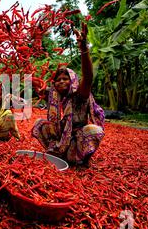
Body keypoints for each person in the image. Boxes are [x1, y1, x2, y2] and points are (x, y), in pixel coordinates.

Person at [31, 23, 105, 166]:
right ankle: (58, 153)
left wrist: (84, 49)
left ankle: (82, 159)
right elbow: (34, 81)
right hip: (61, 139)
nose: (61, 82)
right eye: (58, 80)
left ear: (73, 81)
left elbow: (88, 77)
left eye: (65, 79)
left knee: (93, 130)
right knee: (39, 124)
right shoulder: (54, 96)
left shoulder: (80, 95)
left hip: (76, 140)